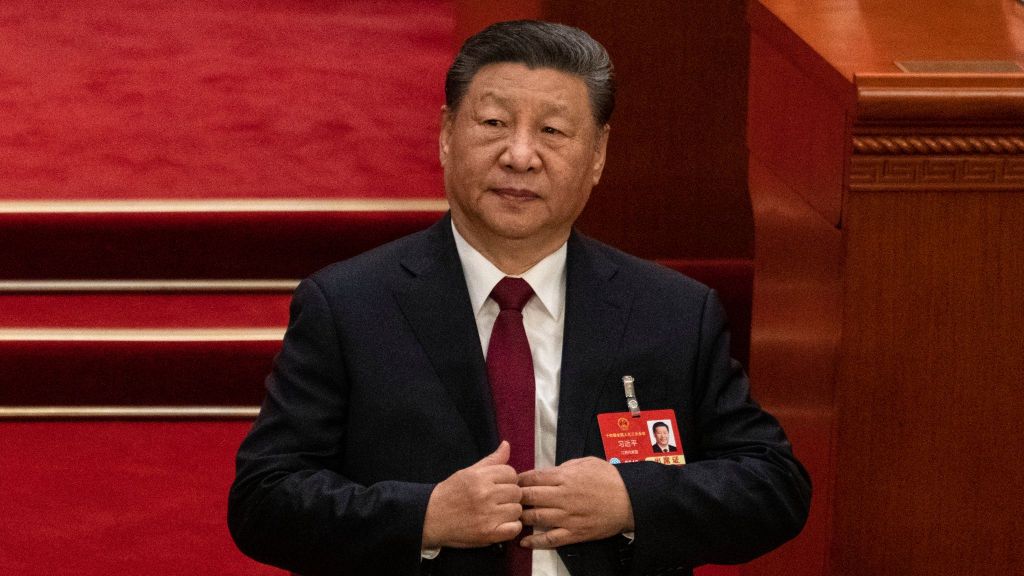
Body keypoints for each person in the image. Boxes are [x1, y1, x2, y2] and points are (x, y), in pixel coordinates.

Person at [228, 20, 810, 576]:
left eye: (552, 131)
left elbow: (774, 486)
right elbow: (263, 500)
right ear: (446, 135)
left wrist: (631, 501)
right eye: (493, 123)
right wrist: (424, 517)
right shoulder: (349, 305)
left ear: (598, 154)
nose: (520, 155)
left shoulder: (672, 312)